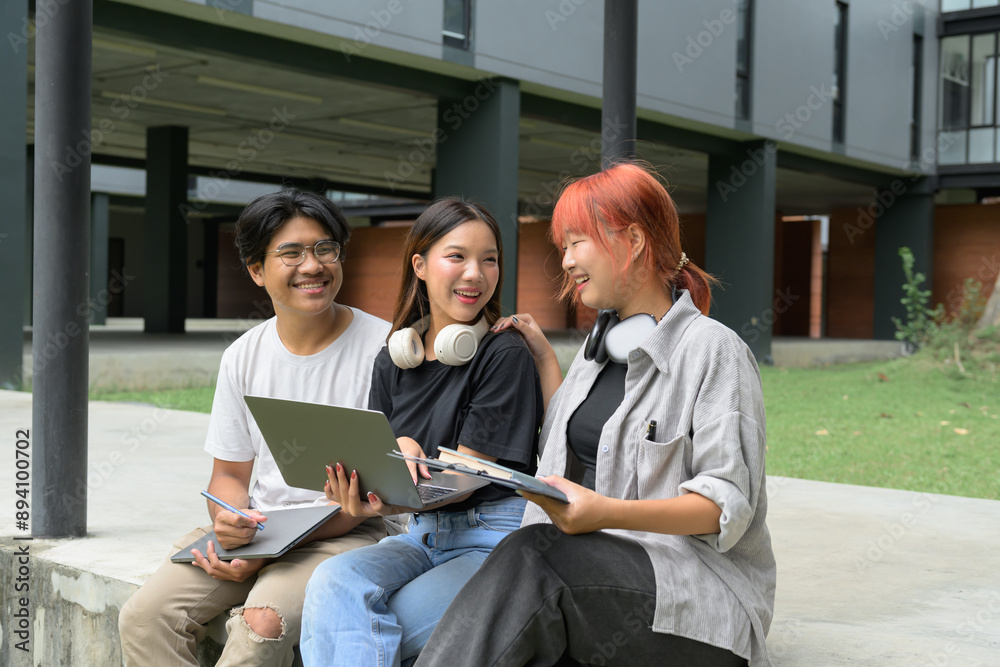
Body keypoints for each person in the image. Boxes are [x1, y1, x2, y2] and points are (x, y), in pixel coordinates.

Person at [416, 163, 776, 667]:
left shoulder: (714, 351)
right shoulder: (596, 351)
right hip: (597, 585)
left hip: (695, 602)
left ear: (630, 239)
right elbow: (580, 446)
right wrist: (544, 358)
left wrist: (605, 513)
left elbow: (723, 509)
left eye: (575, 242)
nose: (564, 261)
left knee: (533, 555)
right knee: (525, 567)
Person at [118, 189, 390, 666]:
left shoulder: (384, 348)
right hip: (262, 531)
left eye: (325, 249)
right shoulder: (243, 356)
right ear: (256, 269)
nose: (313, 265)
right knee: (145, 617)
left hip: (350, 532)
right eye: (291, 253)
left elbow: (377, 495)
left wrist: (267, 553)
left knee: (261, 624)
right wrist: (230, 518)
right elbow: (228, 475)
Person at [299, 197, 544, 667]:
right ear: (421, 265)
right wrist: (366, 488)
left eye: (489, 259)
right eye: (457, 256)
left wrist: (409, 454)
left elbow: (461, 479)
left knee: (360, 624)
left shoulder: (503, 354)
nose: (475, 273)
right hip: (421, 535)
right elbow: (381, 470)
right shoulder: (393, 359)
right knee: (332, 582)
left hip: (493, 537)